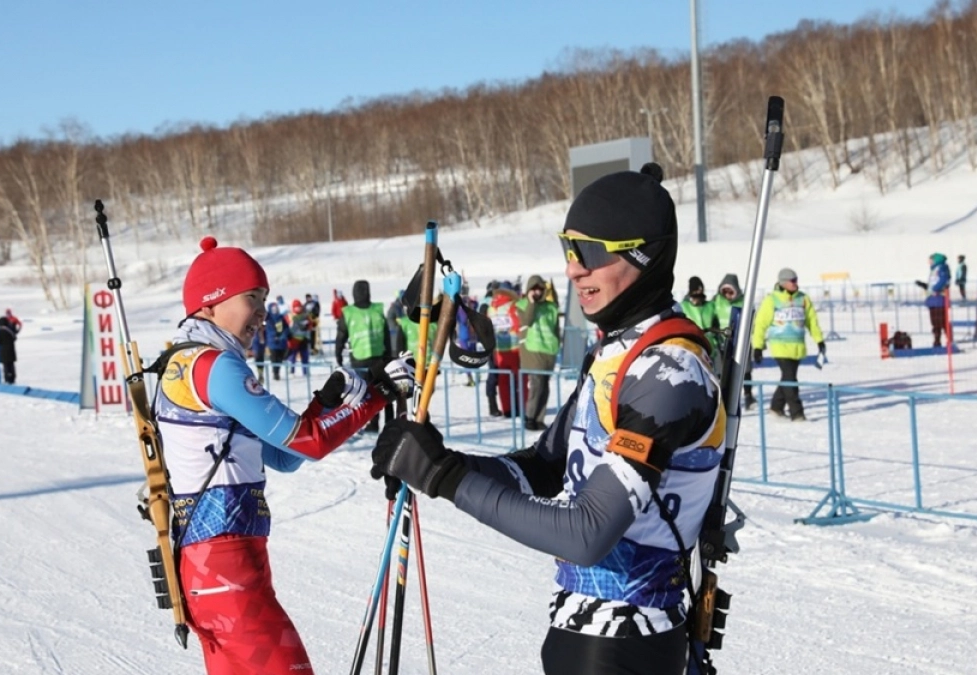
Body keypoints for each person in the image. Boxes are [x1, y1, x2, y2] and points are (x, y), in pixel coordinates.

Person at [371, 164, 725, 675]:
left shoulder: (670, 372)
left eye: (593, 253)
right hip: (582, 631)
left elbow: (588, 534)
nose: (574, 269)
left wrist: (445, 479)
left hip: (629, 641)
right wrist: (436, 458)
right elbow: (542, 467)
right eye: (569, 249)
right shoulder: (619, 352)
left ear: (643, 254)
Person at [156, 236, 414, 674]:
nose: (261, 313)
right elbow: (307, 443)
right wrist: (378, 395)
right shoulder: (213, 366)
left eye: (264, 299)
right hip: (225, 567)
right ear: (210, 304)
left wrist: (327, 400)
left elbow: (284, 456)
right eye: (251, 299)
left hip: (224, 562)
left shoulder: (194, 362)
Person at [751, 268, 825, 421]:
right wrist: (757, 346)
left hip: (797, 347)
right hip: (780, 346)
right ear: (783, 283)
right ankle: (797, 413)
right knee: (790, 379)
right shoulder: (772, 300)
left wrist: (819, 340)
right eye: (793, 281)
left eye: (796, 279)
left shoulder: (803, 299)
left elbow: (812, 321)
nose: (796, 283)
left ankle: (776, 407)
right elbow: (760, 324)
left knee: (788, 378)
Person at [334, 279, 393, 433]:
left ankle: (372, 425)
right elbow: (386, 334)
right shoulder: (377, 310)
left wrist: (338, 354)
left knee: (366, 394)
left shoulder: (349, 313)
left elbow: (341, 335)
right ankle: (390, 425)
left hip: (360, 359)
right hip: (379, 357)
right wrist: (389, 354)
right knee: (385, 390)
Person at [517, 274, 560, 431]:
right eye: (533, 289)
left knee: (545, 386)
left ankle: (539, 418)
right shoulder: (523, 304)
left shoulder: (551, 306)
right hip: (533, 352)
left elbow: (555, 328)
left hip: (549, 352)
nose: (537, 292)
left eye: (539, 289)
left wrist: (557, 344)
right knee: (536, 386)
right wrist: (531, 303)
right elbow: (527, 321)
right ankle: (530, 418)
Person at [713, 274, 756, 410]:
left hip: (741, 340)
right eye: (724, 291)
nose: (727, 295)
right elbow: (711, 317)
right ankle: (722, 397)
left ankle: (748, 395)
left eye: (730, 291)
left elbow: (753, 321)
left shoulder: (744, 301)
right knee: (722, 370)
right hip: (723, 341)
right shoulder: (716, 301)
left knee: (744, 370)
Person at [487, 280, 522, 417]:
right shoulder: (512, 306)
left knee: (503, 381)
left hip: (498, 349)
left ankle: (507, 409)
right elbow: (517, 325)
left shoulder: (491, 308)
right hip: (513, 348)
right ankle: (517, 407)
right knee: (516, 380)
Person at [916, 253, 951, 347]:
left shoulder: (941, 268)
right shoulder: (934, 270)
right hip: (933, 300)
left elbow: (944, 280)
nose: (929, 262)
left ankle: (948, 340)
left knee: (941, 321)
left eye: (930, 260)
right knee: (935, 322)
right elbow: (932, 285)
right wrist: (924, 285)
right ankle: (937, 340)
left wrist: (936, 288)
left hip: (939, 300)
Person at [262, 302, 291, 381]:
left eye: (276, 308)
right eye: (273, 309)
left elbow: (286, 328)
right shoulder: (268, 317)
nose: (275, 310)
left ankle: (276, 370)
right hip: (272, 342)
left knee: (280, 359)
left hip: (282, 342)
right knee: (274, 358)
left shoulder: (281, 317)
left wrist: (284, 335)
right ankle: (276, 373)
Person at [286, 299, 312, 375]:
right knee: (292, 357)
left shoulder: (305, 315)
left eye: (299, 307)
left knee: (305, 356)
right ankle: (291, 371)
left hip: (304, 339)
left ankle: (305, 371)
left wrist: (307, 327)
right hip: (293, 340)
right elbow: (286, 326)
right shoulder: (290, 316)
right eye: (296, 307)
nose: (298, 309)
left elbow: (310, 324)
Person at [0, 316, 18, 384]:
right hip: (11, 350)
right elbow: (14, 338)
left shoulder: (1, 331)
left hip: (4, 351)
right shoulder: (10, 330)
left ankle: (7, 379)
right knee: (11, 365)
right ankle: (12, 378)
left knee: (6, 366)